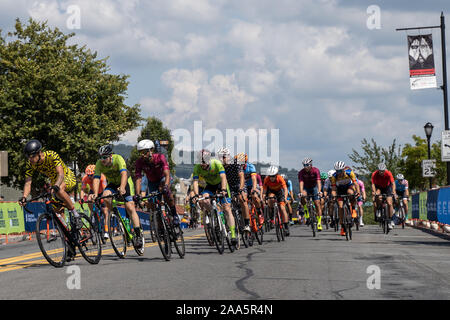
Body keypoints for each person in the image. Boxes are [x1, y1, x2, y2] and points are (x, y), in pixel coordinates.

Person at [89, 145, 144, 250]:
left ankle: (138, 235)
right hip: (113, 184)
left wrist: (122, 187)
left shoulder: (118, 158)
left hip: (125, 183)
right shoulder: (99, 163)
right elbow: (96, 178)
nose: (102, 160)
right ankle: (115, 213)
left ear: (110, 156)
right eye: (100, 157)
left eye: (104, 157)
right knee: (105, 196)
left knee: (130, 207)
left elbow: (124, 174)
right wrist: (95, 193)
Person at [19, 140, 82, 230]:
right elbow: (28, 182)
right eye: (28, 157)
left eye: (32, 156)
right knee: (55, 209)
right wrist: (24, 197)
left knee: (59, 189)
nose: (30, 159)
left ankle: (76, 215)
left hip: (66, 177)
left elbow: (60, 173)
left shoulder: (51, 155)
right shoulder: (30, 164)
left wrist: (56, 185)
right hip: (54, 182)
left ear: (39, 153)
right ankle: (67, 232)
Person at [191, 149, 237, 245]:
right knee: (205, 199)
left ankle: (233, 234)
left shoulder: (216, 163)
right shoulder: (197, 168)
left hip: (221, 184)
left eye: (203, 161)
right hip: (210, 186)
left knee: (227, 208)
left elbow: (223, 177)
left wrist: (224, 190)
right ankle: (215, 216)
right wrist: (196, 194)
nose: (202, 164)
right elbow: (195, 181)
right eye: (200, 161)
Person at [134, 139, 179, 226]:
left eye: (144, 152)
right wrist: (137, 194)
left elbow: (167, 174)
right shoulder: (139, 162)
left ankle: (174, 214)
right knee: (151, 203)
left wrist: (166, 186)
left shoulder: (160, 157)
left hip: (163, 178)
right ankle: (160, 226)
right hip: (152, 182)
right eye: (140, 152)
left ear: (151, 151)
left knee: (166, 193)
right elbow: (138, 179)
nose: (142, 155)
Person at [217, 148, 250, 233]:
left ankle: (247, 224)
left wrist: (241, 189)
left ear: (228, 156)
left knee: (242, 199)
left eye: (223, 157)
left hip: (239, 183)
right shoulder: (220, 166)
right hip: (229, 186)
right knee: (227, 205)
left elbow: (241, 176)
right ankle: (232, 225)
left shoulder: (235, 162)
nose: (221, 159)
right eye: (220, 157)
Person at [330, 161, 361, 236]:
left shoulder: (349, 173)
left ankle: (353, 209)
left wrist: (358, 192)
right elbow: (334, 188)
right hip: (340, 189)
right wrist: (334, 196)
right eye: (337, 171)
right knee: (340, 207)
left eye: (340, 171)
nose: (339, 172)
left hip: (349, 187)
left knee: (351, 193)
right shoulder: (334, 176)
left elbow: (355, 184)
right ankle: (343, 226)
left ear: (344, 169)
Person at [80, 164, 109, 237]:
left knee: (105, 211)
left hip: (102, 191)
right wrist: (81, 198)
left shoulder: (102, 177)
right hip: (93, 191)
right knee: (89, 198)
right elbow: (82, 189)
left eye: (91, 175)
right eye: (88, 175)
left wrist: (103, 198)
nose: (90, 177)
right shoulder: (85, 178)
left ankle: (106, 230)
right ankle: (93, 213)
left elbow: (105, 189)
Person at [262, 165, 290, 236]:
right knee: (270, 198)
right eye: (270, 176)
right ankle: (271, 218)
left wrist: (285, 198)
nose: (272, 178)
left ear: (276, 175)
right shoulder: (266, 179)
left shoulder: (280, 178)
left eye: (273, 176)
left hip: (279, 192)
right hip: (271, 191)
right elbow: (264, 192)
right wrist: (263, 198)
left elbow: (285, 189)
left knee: (282, 208)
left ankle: (286, 227)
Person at [298, 157, 323, 231]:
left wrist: (319, 191)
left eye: (307, 165)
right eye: (304, 165)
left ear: (311, 165)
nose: (305, 167)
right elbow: (301, 183)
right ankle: (305, 210)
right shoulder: (301, 172)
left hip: (314, 187)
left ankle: (319, 223)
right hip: (306, 187)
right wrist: (301, 192)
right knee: (303, 196)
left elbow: (318, 181)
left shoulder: (316, 170)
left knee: (317, 203)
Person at [371, 163, 396, 230]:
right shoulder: (374, 174)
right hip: (379, 187)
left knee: (389, 203)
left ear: (385, 170)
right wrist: (374, 191)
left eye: (383, 171)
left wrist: (393, 191)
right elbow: (373, 184)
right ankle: (379, 209)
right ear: (378, 170)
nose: (381, 172)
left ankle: (390, 220)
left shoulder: (388, 173)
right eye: (380, 171)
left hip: (387, 187)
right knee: (378, 196)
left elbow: (393, 183)